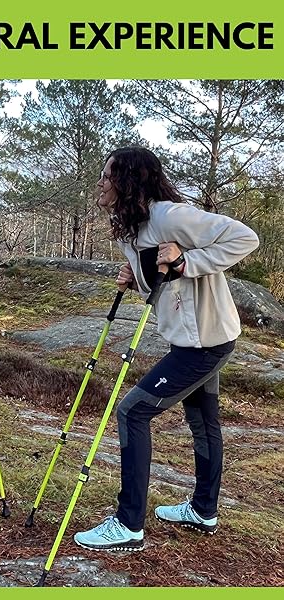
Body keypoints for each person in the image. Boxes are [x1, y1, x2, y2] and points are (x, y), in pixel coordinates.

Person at [74, 146, 259, 551]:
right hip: (193, 339)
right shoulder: (132, 226)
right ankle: (203, 510)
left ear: (127, 181)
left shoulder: (169, 214)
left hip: (204, 344)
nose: (101, 183)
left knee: (132, 411)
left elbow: (245, 238)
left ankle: (128, 524)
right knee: (203, 421)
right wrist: (137, 277)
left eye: (107, 175)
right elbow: (160, 285)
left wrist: (186, 263)